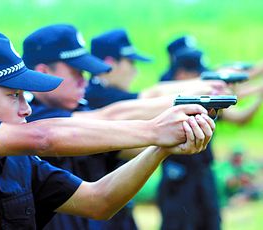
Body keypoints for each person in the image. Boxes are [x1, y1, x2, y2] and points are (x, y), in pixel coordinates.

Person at [0, 32, 214, 229]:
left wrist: (160, 148)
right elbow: (45, 137)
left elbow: (100, 200)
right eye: (14, 95)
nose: (26, 108)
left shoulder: (18, 161)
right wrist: (154, 130)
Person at [21, 24, 217, 230]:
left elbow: (123, 147)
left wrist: (170, 143)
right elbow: (110, 117)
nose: (84, 81)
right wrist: (185, 103)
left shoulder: (78, 106)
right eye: (76, 72)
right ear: (43, 72)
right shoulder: (30, 116)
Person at [157, 46, 262, 230]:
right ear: (183, 74)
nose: (202, 81)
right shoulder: (165, 99)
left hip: (203, 176)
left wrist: (257, 95)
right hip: (179, 181)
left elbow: (238, 115)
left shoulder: (198, 97)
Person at [86, 30, 225, 109]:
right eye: (131, 63)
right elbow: (154, 95)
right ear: (110, 63)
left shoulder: (100, 91)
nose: (135, 71)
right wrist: (210, 83)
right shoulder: (97, 95)